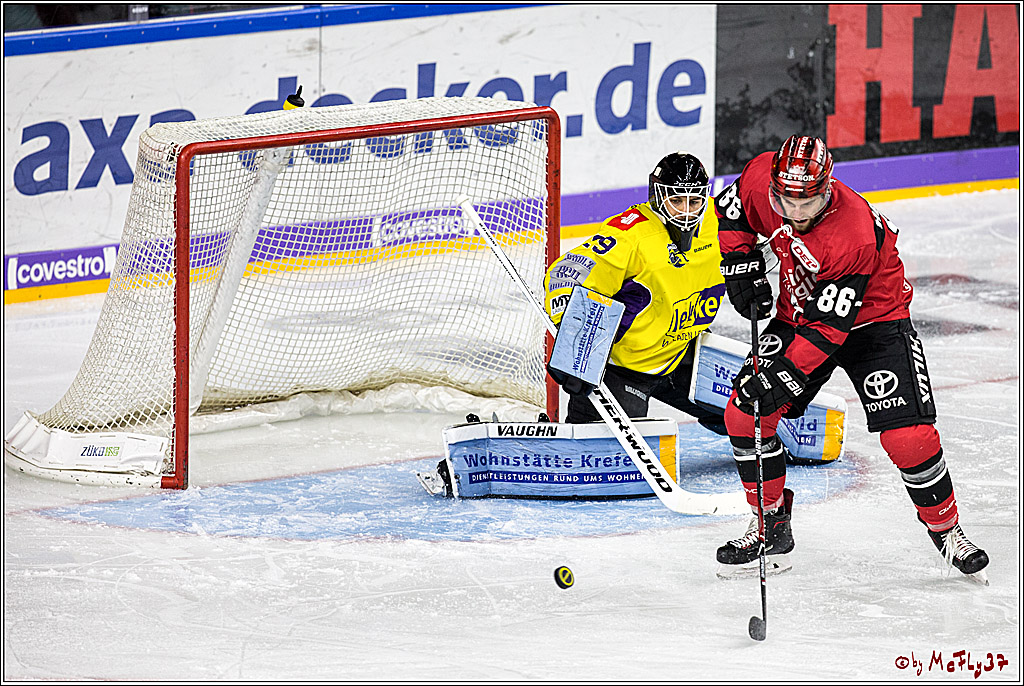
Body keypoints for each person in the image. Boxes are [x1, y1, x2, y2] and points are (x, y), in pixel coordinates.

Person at [713, 134, 989, 579]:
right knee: (744, 414)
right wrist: (739, 262)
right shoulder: (765, 180)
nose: (795, 214)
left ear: (827, 189)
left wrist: (782, 377)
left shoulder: (852, 232)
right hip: (801, 313)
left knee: (909, 438)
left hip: (875, 324)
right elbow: (732, 209)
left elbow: (831, 329)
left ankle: (946, 529)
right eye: (785, 203)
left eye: (807, 204)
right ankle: (770, 523)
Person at [543, 152, 727, 432]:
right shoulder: (630, 235)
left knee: (745, 413)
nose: (687, 211)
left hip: (682, 353)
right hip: (621, 368)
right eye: (676, 200)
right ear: (657, 196)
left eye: (694, 200)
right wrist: (573, 343)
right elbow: (564, 273)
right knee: (606, 455)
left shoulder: (722, 219)